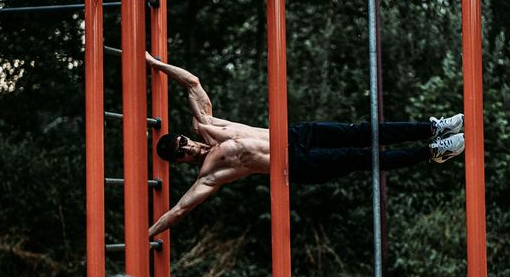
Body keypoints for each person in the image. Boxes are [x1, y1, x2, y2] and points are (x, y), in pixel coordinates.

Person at [146, 52, 465, 237]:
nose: (187, 148)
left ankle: (433, 127)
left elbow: (192, 82)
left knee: (362, 130)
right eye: (181, 153)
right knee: (360, 158)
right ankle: (435, 151)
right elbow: (179, 210)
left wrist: (152, 62)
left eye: (183, 143)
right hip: (295, 166)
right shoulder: (209, 174)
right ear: (180, 162)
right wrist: (146, 237)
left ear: (185, 136)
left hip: (296, 135)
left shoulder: (207, 124)